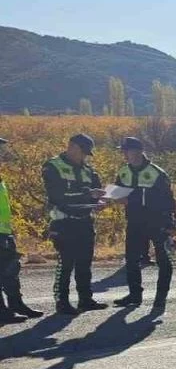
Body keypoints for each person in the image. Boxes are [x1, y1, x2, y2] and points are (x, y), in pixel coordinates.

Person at [43, 133, 107, 315]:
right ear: (71, 146)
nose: (84, 156)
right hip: (64, 222)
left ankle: (85, 299)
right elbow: (57, 196)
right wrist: (88, 195)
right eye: (82, 152)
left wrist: (99, 203)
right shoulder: (53, 166)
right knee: (66, 263)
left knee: (84, 263)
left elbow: (97, 193)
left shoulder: (88, 171)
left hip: (85, 222)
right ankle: (62, 301)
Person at [112, 137, 176, 310]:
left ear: (139, 151)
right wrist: (109, 197)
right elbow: (117, 192)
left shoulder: (157, 172)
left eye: (127, 150)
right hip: (134, 222)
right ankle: (134, 295)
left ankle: (160, 298)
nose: (124, 154)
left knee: (163, 261)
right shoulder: (123, 171)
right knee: (132, 260)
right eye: (123, 151)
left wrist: (171, 224)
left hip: (157, 221)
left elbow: (168, 200)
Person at [0, 138, 43, 323]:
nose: (2, 152)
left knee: (11, 270)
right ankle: (3, 312)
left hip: (4, 231)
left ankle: (16, 304)